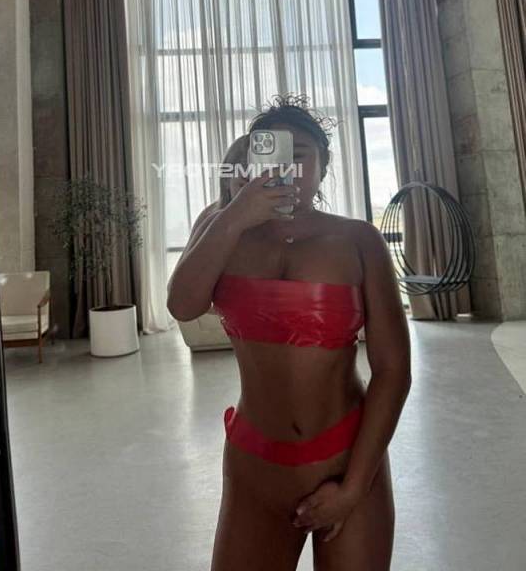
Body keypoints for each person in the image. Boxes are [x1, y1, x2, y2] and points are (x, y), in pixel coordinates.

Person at [167, 93, 411, 571]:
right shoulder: (220, 225)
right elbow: (182, 305)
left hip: (347, 461)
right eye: (271, 153)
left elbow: (393, 369)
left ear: (324, 166)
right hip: (254, 466)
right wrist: (236, 214)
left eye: (300, 155)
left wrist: (354, 487)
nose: (287, 168)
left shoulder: (358, 239)